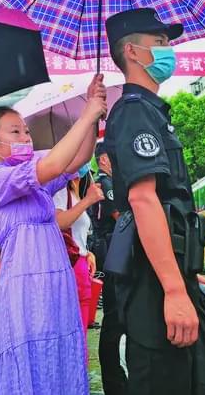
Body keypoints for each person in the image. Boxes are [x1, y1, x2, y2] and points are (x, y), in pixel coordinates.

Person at [102, 8, 205, 395]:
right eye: (160, 42)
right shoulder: (136, 111)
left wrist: (184, 274)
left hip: (164, 273)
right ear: (134, 53)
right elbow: (143, 200)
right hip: (153, 286)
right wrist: (173, 289)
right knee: (163, 379)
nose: (169, 50)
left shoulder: (151, 112)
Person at [0, 74, 106, 395]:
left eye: (26, 130)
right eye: (15, 132)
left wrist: (93, 116)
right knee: (27, 362)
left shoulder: (31, 175)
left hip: (56, 287)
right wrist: (86, 114)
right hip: (24, 291)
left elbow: (78, 159)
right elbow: (54, 164)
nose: (26, 137)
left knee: (56, 360)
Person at [92, 141, 127, 395]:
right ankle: (114, 381)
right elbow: (121, 216)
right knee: (114, 317)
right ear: (104, 160)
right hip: (112, 252)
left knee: (115, 317)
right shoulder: (105, 183)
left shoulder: (102, 182)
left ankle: (115, 378)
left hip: (111, 251)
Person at [53, 169, 104, 344]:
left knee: (80, 330)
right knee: (73, 331)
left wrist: (87, 252)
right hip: (70, 265)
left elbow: (76, 233)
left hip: (81, 264)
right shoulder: (61, 190)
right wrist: (88, 200)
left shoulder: (74, 192)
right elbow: (59, 222)